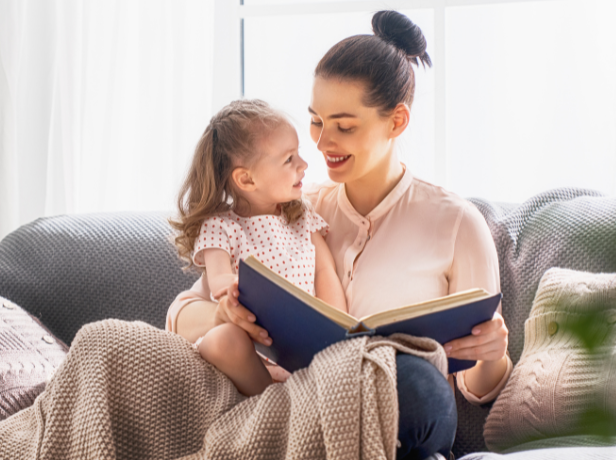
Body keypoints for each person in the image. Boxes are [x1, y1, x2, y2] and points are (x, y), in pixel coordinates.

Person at [166, 10, 511, 460]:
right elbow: (181, 313)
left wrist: (493, 355)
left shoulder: (457, 223)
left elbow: (474, 388)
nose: (322, 142)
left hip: (404, 406)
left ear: (397, 121)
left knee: (417, 383)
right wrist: (222, 317)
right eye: (316, 120)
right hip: (297, 399)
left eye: (344, 126)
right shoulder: (289, 209)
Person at [168, 99, 348, 397]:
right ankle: (273, 406)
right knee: (223, 339)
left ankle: (286, 398)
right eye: (289, 159)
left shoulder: (301, 218)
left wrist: (337, 328)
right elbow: (220, 281)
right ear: (246, 179)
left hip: (300, 348)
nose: (303, 164)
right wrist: (232, 293)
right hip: (251, 345)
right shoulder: (222, 226)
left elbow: (324, 269)